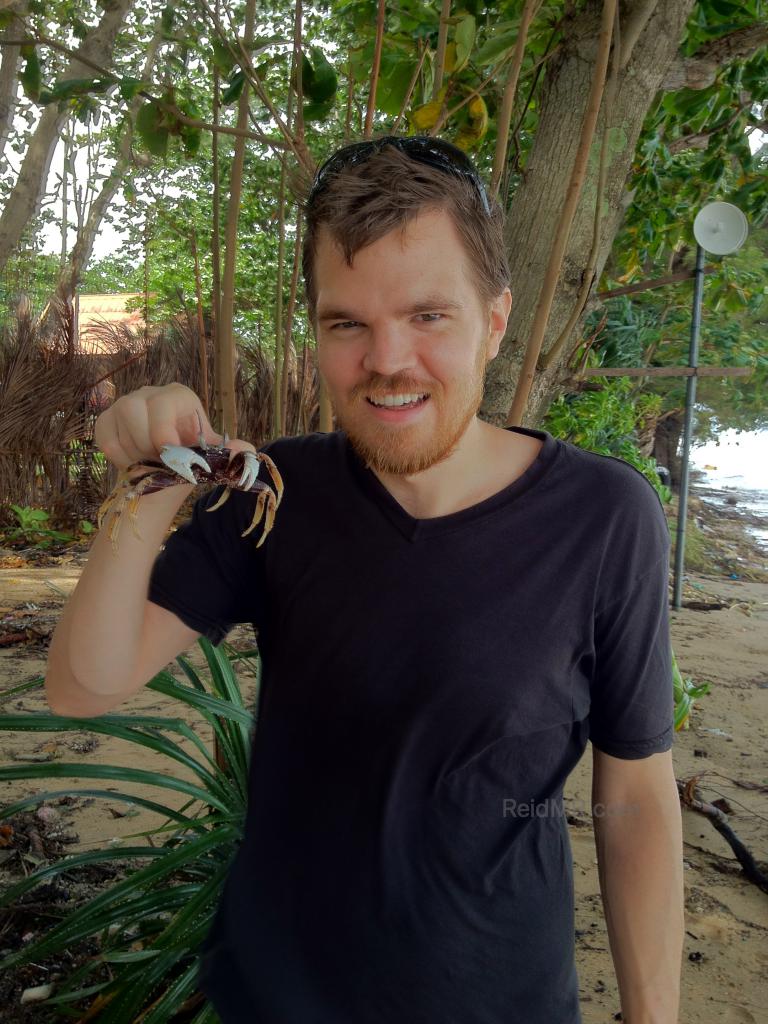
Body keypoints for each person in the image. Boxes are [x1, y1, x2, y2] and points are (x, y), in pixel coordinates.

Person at [45, 136, 684, 1023]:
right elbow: (83, 687)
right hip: (278, 997)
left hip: (501, 997)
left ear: (495, 322)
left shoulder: (605, 517)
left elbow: (636, 794)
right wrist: (149, 489)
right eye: (348, 323)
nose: (387, 361)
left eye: (429, 316)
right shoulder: (273, 490)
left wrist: (654, 1016)